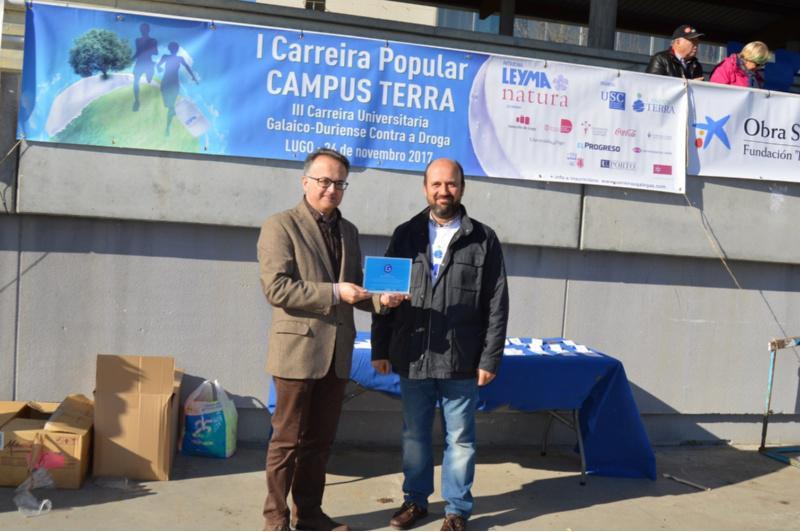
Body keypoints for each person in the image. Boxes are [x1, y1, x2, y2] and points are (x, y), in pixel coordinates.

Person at [257, 148, 405, 531]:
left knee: (319, 443)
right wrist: (337, 292)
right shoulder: (280, 225)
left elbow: (356, 288)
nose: (331, 189)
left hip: (336, 354)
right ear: (305, 181)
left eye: (340, 183)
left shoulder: (348, 231)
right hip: (297, 351)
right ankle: (275, 521)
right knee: (286, 442)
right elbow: (277, 288)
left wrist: (381, 300)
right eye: (324, 181)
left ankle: (309, 515)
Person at [371, 158, 509, 531]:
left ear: (461, 188)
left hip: (461, 357)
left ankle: (456, 510)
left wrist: (490, 358)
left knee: (460, 439)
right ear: (425, 188)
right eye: (436, 184)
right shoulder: (405, 234)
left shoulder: (483, 239)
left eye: (450, 184)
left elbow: (497, 304)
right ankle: (415, 502)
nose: (443, 191)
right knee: (414, 435)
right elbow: (383, 293)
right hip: (413, 354)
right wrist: (380, 348)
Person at [158, 41, 198, 135]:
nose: (174, 50)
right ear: (170, 49)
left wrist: (194, 77)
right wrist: (158, 68)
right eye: (173, 48)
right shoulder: (165, 57)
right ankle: (173, 112)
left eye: (175, 48)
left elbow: (187, 67)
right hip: (167, 82)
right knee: (168, 104)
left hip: (174, 83)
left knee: (170, 105)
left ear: (176, 49)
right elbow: (158, 65)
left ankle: (168, 128)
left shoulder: (180, 58)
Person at [132, 23, 158, 112]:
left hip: (148, 63)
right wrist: (131, 59)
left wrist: (146, 50)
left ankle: (149, 100)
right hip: (139, 63)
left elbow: (156, 52)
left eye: (144, 29)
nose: (143, 31)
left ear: (148, 30)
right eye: (141, 29)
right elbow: (137, 52)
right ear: (140, 30)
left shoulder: (153, 40)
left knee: (149, 80)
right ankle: (136, 101)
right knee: (136, 82)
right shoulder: (137, 40)